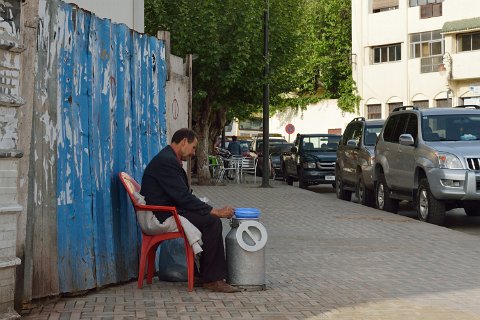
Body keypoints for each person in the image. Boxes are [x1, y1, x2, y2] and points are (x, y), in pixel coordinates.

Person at [141, 128, 240, 293]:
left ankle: (200, 274)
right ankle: (213, 279)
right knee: (212, 222)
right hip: (163, 214)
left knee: (206, 218)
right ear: (184, 142)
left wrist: (203, 207)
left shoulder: (168, 158)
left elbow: (182, 195)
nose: (194, 153)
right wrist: (214, 211)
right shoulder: (167, 161)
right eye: (193, 147)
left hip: (170, 209)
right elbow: (183, 198)